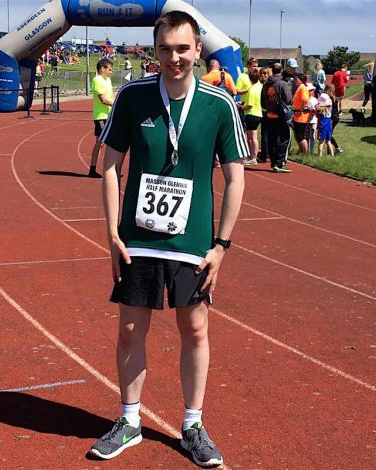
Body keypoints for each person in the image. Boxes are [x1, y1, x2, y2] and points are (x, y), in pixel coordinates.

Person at [89, 10, 247, 467]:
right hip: (137, 239)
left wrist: (222, 246)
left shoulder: (219, 104)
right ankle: (129, 420)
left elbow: (236, 179)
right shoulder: (133, 96)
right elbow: (111, 167)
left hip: (193, 243)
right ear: (153, 51)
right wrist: (112, 233)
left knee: (194, 329)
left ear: (198, 49)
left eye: (183, 49)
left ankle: (193, 424)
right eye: (165, 49)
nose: (174, 58)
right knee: (131, 329)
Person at [261, 62, 293, 172]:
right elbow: (289, 99)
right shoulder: (282, 84)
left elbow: (262, 102)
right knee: (285, 138)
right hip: (281, 115)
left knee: (272, 139)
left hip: (269, 114)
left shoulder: (265, 84)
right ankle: (280, 163)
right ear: (281, 70)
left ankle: (274, 162)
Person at [88, 58, 114, 178]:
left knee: (105, 142)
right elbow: (103, 99)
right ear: (102, 69)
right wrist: (117, 104)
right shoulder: (97, 80)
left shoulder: (107, 80)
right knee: (101, 142)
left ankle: (100, 170)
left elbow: (110, 96)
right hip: (101, 116)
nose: (111, 72)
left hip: (109, 115)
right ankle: (93, 170)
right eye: (109, 69)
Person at [241, 66, 263, 165]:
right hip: (259, 112)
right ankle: (253, 156)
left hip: (251, 113)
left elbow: (249, 105)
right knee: (254, 136)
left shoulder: (252, 89)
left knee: (252, 137)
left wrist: (241, 107)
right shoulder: (261, 86)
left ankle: (253, 156)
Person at [292, 74, 311, 155]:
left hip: (301, 116)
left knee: (301, 136)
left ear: (300, 80)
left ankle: (305, 153)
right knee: (297, 134)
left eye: (296, 79)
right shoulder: (299, 88)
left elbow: (305, 99)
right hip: (297, 115)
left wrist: (301, 109)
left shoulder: (303, 88)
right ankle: (301, 150)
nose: (295, 81)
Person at [324, 84, 342, 154]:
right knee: (329, 134)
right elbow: (337, 109)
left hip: (332, 118)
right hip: (336, 117)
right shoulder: (335, 97)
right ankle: (329, 151)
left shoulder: (330, 98)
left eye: (325, 89)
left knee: (328, 135)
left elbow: (329, 108)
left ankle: (337, 148)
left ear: (328, 90)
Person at [258, 67, 271, 162]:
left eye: (265, 73)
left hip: (268, 111)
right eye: (262, 73)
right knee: (265, 134)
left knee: (266, 133)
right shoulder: (259, 85)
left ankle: (265, 154)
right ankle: (266, 153)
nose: (263, 75)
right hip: (262, 110)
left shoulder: (268, 85)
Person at [317, 92, 335, 157]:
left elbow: (317, 111)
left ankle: (320, 155)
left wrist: (319, 105)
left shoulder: (321, 109)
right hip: (329, 125)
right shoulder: (329, 107)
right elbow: (330, 102)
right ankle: (332, 154)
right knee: (328, 141)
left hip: (322, 126)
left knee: (321, 142)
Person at [307, 82, 318, 154]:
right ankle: (306, 150)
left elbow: (317, 109)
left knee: (312, 136)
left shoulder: (314, 99)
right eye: (310, 90)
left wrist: (314, 111)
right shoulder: (305, 99)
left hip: (313, 120)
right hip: (306, 120)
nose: (312, 92)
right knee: (306, 136)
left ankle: (311, 150)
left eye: (312, 90)